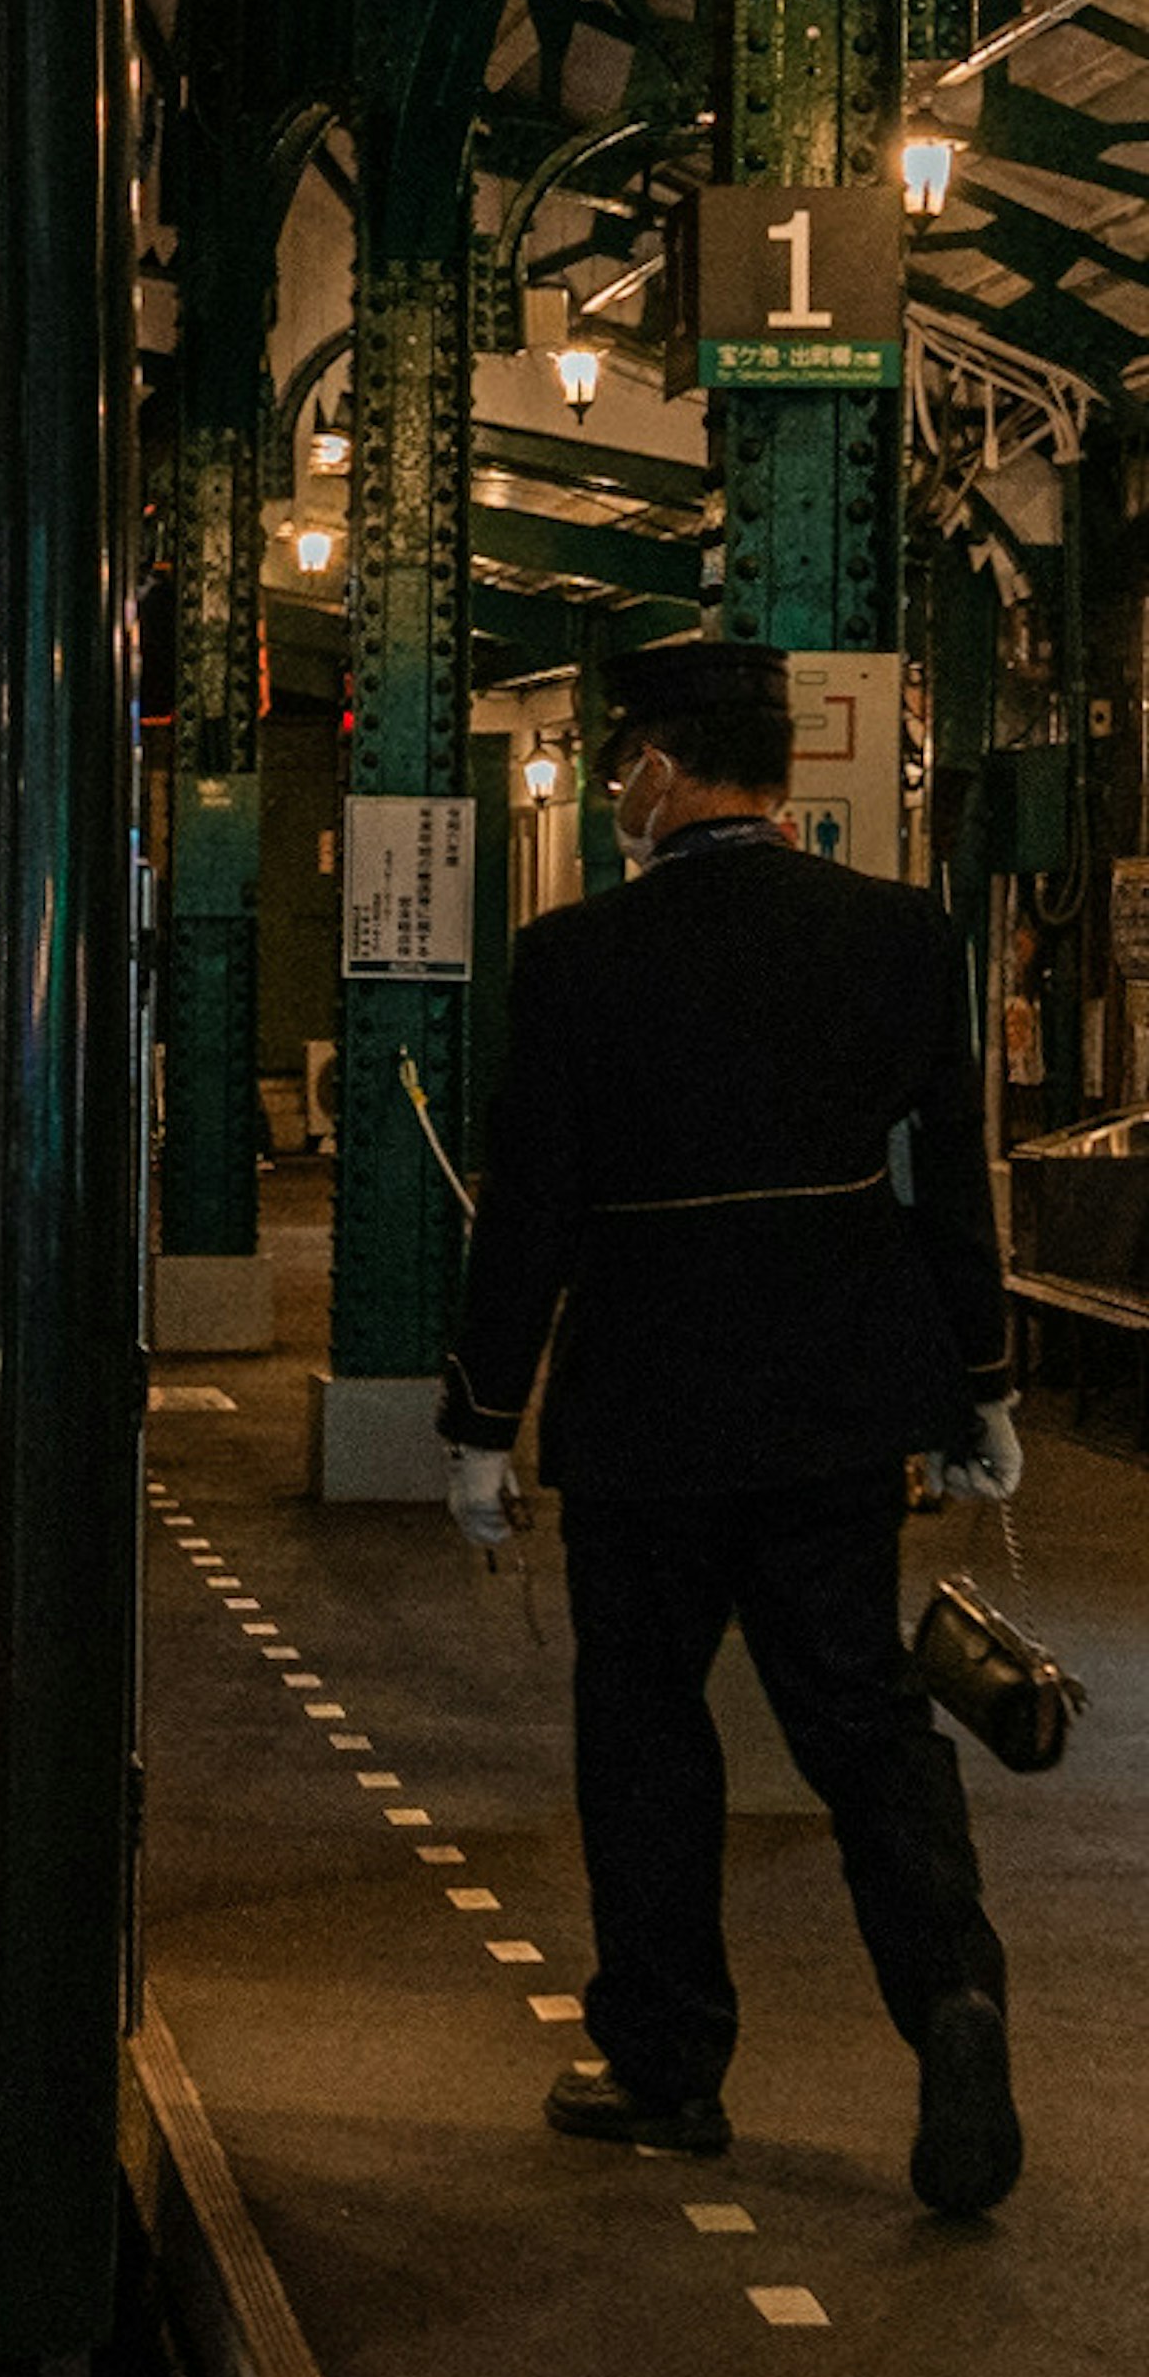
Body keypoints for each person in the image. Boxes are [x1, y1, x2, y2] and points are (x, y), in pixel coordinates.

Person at [436, 630, 1025, 2214]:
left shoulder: (577, 961)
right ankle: (955, 1999)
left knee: (643, 1731)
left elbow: (532, 1215)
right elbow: (952, 1189)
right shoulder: (902, 937)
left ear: (659, 769)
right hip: (837, 1409)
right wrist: (982, 1383)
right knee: (862, 1720)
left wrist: (481, 1421)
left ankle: (666, 2064)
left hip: (645, 1419)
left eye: (624, 758)